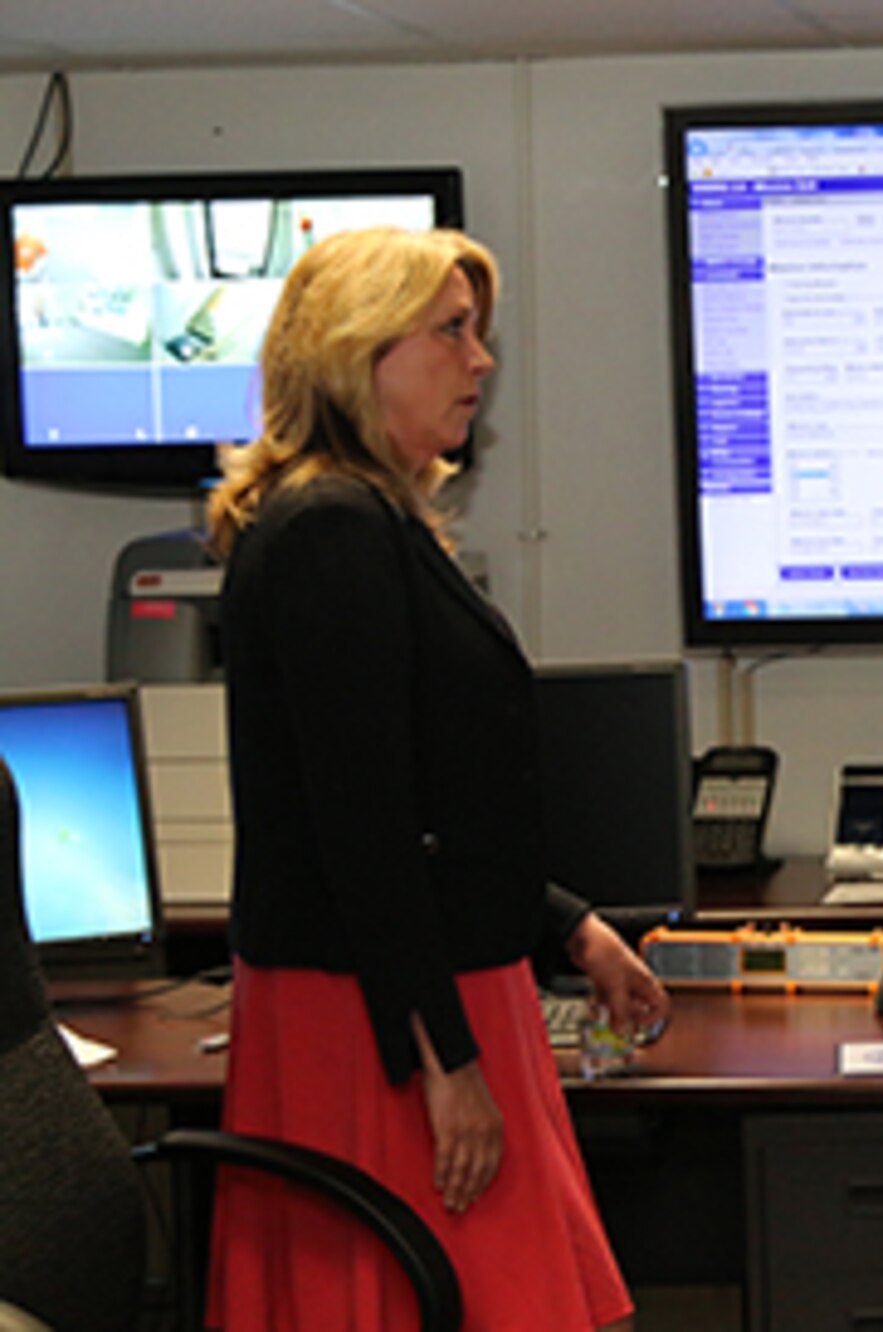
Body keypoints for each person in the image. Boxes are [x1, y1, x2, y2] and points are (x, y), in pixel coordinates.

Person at [205, 226, 668, 1331]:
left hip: (426, 991)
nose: (481, 362)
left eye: (480, 332)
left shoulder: (368, 519)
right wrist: (444, 1064)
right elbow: (361, 826)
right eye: (451, 332)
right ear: (359, 351)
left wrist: (565, 926)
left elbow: (430, 800)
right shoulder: (332, 529)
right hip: (386, 1024)